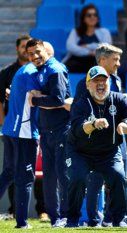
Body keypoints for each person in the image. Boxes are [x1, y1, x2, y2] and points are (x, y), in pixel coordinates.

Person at [73, 43, 127, 227]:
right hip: (94, 142)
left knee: (118, 177)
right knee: (94, 180)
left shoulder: (115, 79)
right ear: (102, 60)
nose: (118, 63)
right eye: (115, 59)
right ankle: (92, 218)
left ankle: (112, 217)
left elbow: (123, 110)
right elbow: (78, 111)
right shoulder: (86, 83)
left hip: (116, 139)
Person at [26, 38, 71, 227]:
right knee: (49, 177)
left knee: (63, 174)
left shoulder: (55, 70)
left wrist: (35, 100)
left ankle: (68, 216)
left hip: (61, 130)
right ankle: (55, 218)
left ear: (46, 50)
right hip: (47, 131)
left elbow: (59, 100)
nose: (35, 56)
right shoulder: (42, 70)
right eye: (30, 54)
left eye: (38, 52)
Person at [0, 35, 31, 220]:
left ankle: (42, 209)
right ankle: (13, 210)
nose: (26, 49)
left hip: (32, 127)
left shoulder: (37, 71)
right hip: (12, 128)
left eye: (30, 46)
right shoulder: (6, 72)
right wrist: (4, 124)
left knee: (31, 171)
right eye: (23, 46)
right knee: (12, 170)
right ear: (17, 49)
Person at [63, 4, 112, 73]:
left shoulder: (104, 32)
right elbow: (70, 47)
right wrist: (89, 52)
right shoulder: (75, 32)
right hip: (77, 61)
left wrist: (87, 46)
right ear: (83, 19)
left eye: (95, 15)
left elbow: (106, 48)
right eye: (89, 15)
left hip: (95, 62)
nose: (92, 17)